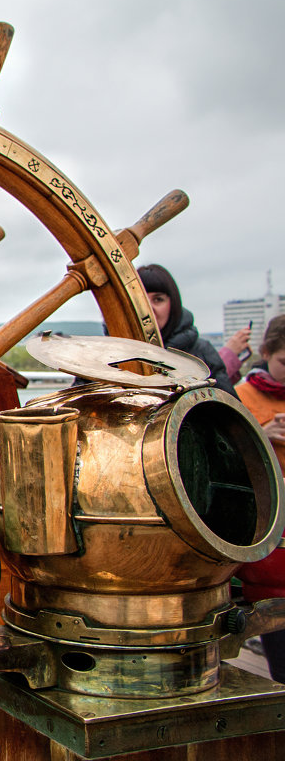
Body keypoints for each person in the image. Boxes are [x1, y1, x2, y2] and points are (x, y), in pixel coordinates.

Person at [235, 314, 285, 683]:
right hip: (270, 539)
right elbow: (229, 458)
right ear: (266, 353)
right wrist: (262, 435)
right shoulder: (240, 398)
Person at [138, 264, 236, 395]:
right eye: (140, 299)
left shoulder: (202, 353)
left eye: (158, 299)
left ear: (173, 304)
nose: (149, 308)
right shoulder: (114, 354)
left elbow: (228, 409)